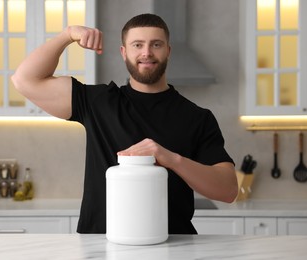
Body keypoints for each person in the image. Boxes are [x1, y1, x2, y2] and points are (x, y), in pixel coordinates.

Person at [12, 13, 238, 234]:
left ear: (168, 51)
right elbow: (24, 80)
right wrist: (67, 34)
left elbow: (228, 190)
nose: (146, 53)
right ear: (124, 52)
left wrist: (172, 159)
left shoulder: (197, 117)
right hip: (101, 245)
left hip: (173, 245)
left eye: (156, 45)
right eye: (137, 45)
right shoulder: (97, 102)